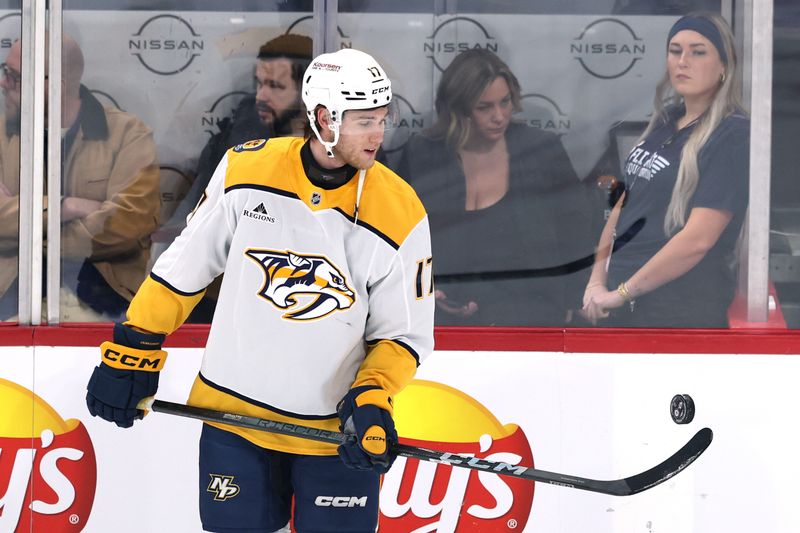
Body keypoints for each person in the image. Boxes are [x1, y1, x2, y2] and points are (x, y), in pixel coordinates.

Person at [85, 48, 434, 533]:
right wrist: (135, 346)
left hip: (332, 433)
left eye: (382, 119)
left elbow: (403, 335)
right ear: (322, 118)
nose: (378, 134)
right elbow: (184, 270)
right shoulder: (247, 170)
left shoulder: (401, 211)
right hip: (233, 417)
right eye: (362, 122)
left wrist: (373, 394)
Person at [397, 48, 595, 326]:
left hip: (530, 317)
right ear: (458, 109)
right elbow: (400, 236)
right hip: (441, 318)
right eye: (484, 107)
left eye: (505, 102)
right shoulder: (423, 153)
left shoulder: (541, 150)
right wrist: (427, 291)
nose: (499, 116)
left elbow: (577, 231)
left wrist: (571, 300)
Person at [581, 13, 749, 328]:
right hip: (619, 301)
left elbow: (698, 239)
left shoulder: (732, 134)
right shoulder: (666, 119)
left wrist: (621, 293)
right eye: (675, 50)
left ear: (724, 66)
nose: (683, 61)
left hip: (674, 312)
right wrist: (596, 281)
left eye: (698, 52)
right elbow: (622, 207)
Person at [0, 35, 160, 321]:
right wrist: (66, 206)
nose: (3, 83)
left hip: (106, 300)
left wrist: (25, 230)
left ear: (55, 88)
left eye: (14, 77)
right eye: (5, 72)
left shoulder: (128, 135)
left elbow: (127, 224)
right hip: (11, 299)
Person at [171, 33, 313, 226]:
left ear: (307, 93)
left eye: (275, 86)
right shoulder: (230, 144)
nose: (261, 96)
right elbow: (195, 219)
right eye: (260, 83)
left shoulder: (336, 150)